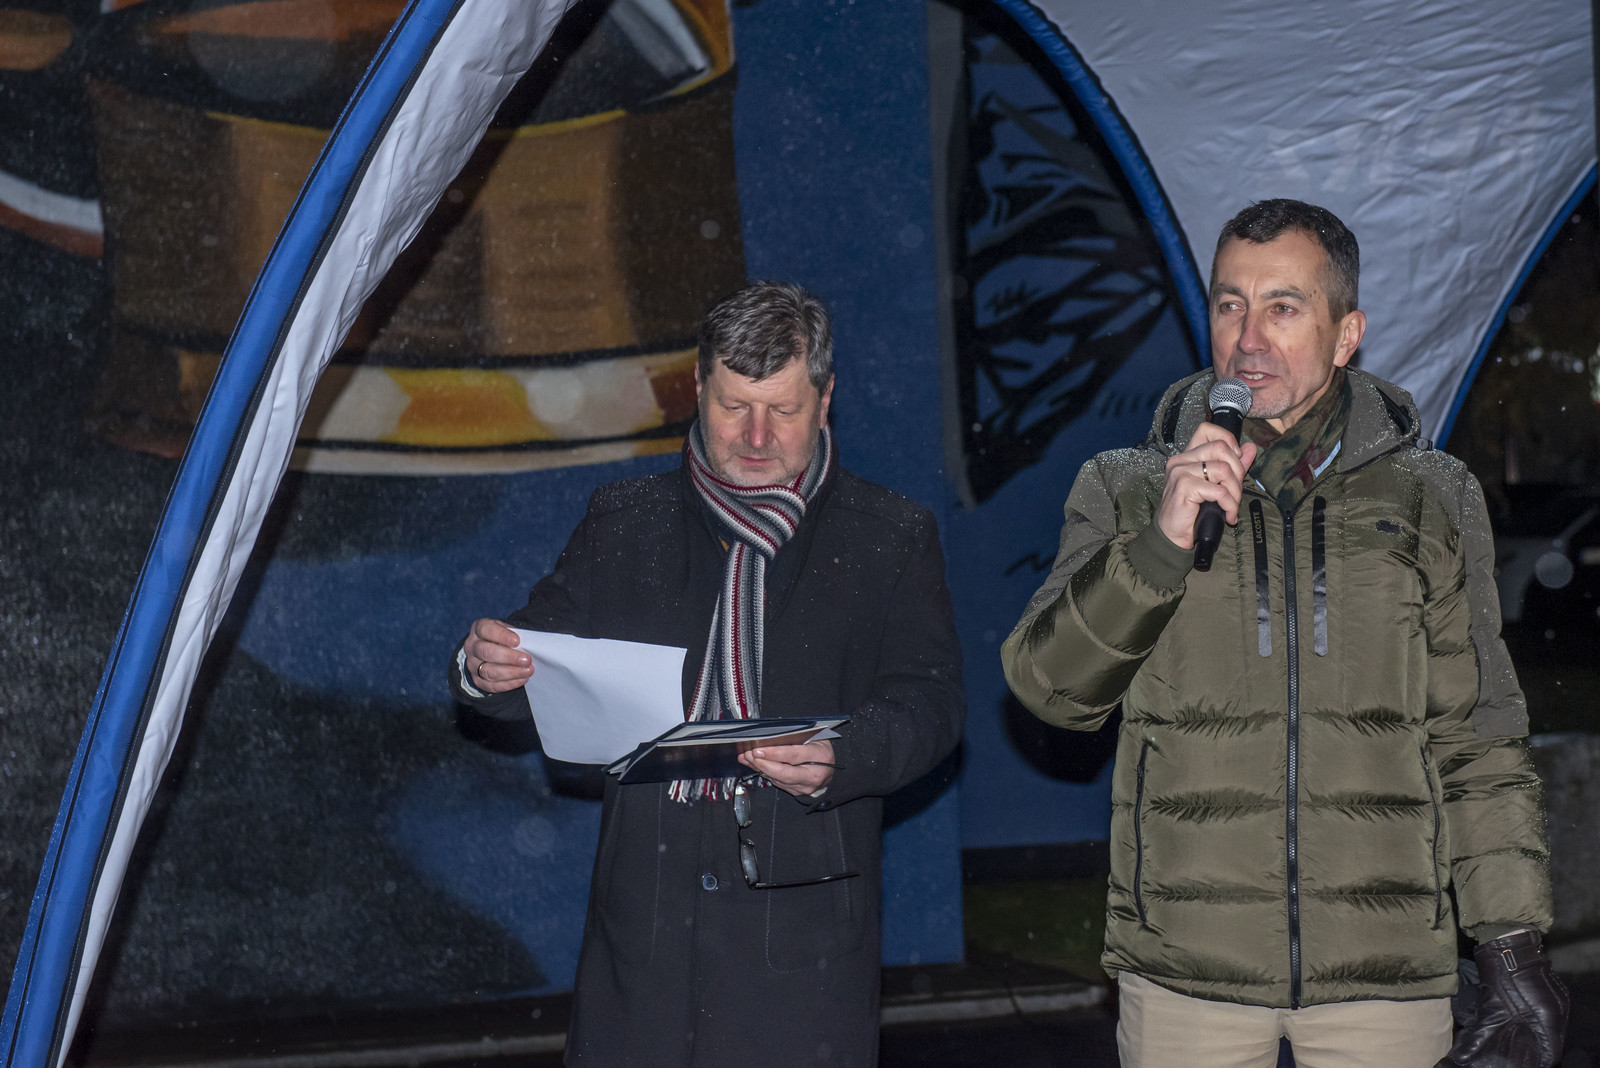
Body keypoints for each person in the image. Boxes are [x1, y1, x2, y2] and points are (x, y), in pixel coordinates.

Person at [1001, 199, 1567, 1068]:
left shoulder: (1433, 495)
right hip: (1187, 979)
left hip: (1385, 980)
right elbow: (1051, 691)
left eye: (1284, 307)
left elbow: (1477, 736)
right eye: (1230, 304)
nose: (1249, 338)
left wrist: (1512, 944)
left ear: (1347, 336)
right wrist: (1160, 543)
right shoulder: (1128, 487)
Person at [449, 281, 965, 1068]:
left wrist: (847, 754)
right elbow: (535, 660)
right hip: (642, 947)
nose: (756, 437)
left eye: (783, 410)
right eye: (734, 407)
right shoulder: (626, 522)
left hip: (803, 955)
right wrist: (486, 669)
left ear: (826, 400)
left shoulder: (889, 536)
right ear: (696, 387)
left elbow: (931, 704)